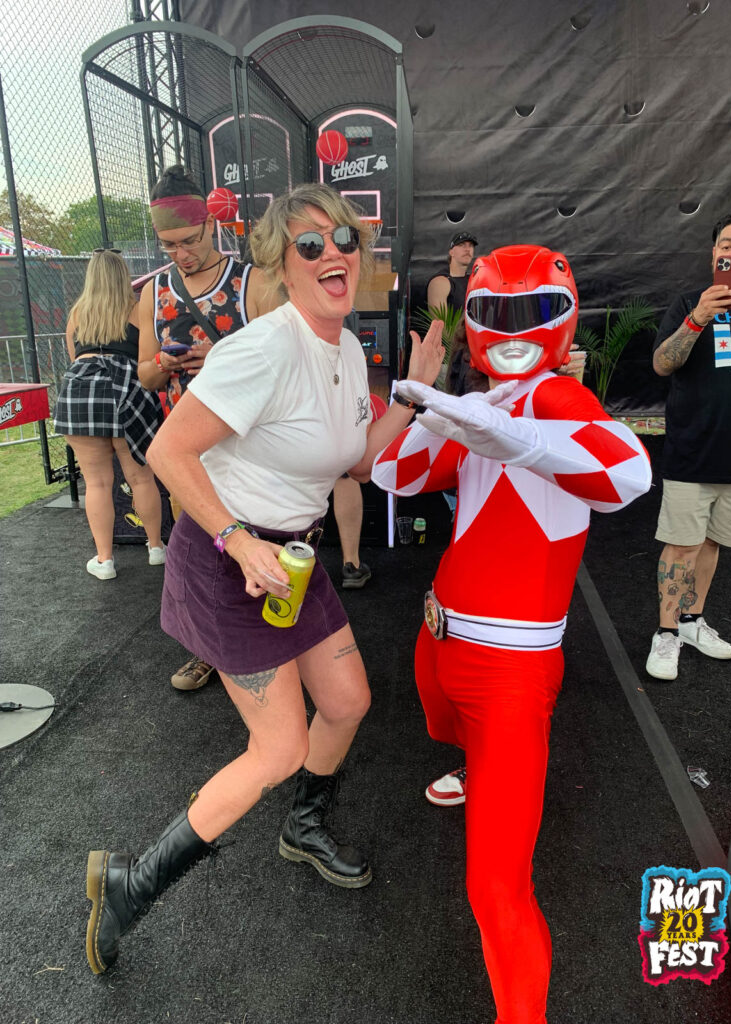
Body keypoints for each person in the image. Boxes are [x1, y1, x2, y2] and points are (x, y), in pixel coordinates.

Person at [84, 182, 444, 975]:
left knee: (346, 702)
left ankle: (302, 828)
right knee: (279, 746)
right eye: (310, 244)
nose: (332, 253)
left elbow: (357, 461)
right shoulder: (264, 349)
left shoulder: (344, 349)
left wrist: (413, 395)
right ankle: (130, 886)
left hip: (291, 560)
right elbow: (170, 452)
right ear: (282, 263)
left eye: (344, 239)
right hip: (231, 563)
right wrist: (238, 539)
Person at [372, 245, 651, 1024]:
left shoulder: (557, 395)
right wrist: (440, 414)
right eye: (498, 312)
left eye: (532, 312)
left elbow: (627, 474)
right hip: (440, 639)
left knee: (495, 886)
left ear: (562, 317)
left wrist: (515, 438)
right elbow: (393, 474)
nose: (515, 329)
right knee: (442, 726)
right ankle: (472, 767)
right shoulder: (488, 401)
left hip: (510, 677)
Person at [137, 164, 279, 692]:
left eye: (190, 240)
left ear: (211, 224)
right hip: (186, 452)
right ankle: (208, 650)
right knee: (200, 552)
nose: (181, 254)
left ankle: (270, 642)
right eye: (168, 245)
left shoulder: (253, 282)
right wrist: (166, 364)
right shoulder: (154, 292)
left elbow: (284, 361)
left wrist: (219, 356)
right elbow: (145, 373)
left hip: (249, 448)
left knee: (258, 542)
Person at [645, 208, 731, 681]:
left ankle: (692, 622)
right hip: (693, 451)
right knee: (681, 547)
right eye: (725, 245)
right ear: (714, 254)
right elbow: (662, 364)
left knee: (713, 543)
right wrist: (697, 319)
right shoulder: (689, 303)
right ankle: (666, 632)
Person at [52, 249, 165, 579]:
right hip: (126, 391)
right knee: (141, 477)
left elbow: (74, 357)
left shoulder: (77, 314)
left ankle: (105, 561)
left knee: (97, 483)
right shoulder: (138, 310)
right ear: (123, 276)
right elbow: (149, 357)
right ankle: (156, 547)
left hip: (79, 393)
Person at [427, 230, 477, 313]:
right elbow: (441, 321)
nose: (467, 249)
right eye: (461, 245)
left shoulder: (473, 280)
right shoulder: (440, 282)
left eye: (471, 246)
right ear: (451, 252)